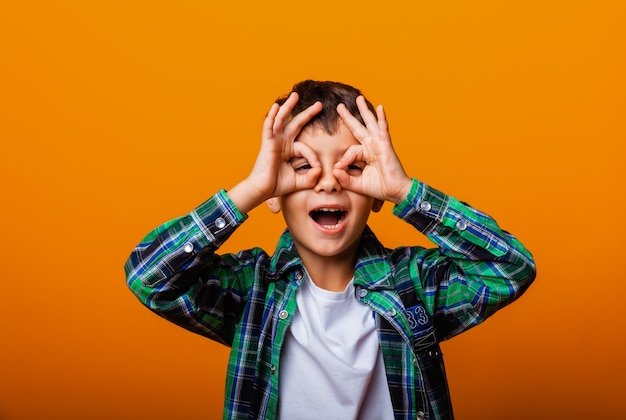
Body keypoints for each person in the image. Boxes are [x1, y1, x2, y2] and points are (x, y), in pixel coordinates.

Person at [124, 80, 536, 420]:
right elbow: (149, 277)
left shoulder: (414, 285)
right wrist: (249, 190)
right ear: (275, 192)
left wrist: (404, 190)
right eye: (302, 166)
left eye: (351, 166)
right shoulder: (253, 290)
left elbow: (511, 268)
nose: (328, 182)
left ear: (374, 194)